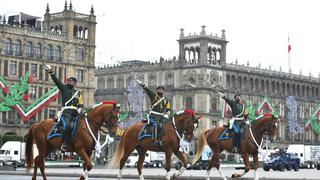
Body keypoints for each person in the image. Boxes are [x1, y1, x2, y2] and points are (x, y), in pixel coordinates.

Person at [44, 65, 84, 151]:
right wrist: (51, 72)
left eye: (72, 81)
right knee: (67, 125)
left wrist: (80, 108)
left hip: (75, 112)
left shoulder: (78, 93)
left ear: (75, 83)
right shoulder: (64, 88)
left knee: (83, 125)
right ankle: (64, 143)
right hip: (66, 112)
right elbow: (57, 81)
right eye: (69, 81)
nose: (70, 82)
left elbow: (80, 103)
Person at [137, 81, 171, 146]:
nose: (160, 90)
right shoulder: (153, 96)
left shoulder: (166, 100)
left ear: (163, 91)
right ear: (157, 91)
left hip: (161, 117)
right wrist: (142, 84)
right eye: (159, 89)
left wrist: (167, 114)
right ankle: (155, 140)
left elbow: (168, 109)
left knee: (166, 126)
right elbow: (147, 90)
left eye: (162, 90)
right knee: (156, 125)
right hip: (153, 116)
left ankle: (164, 139)